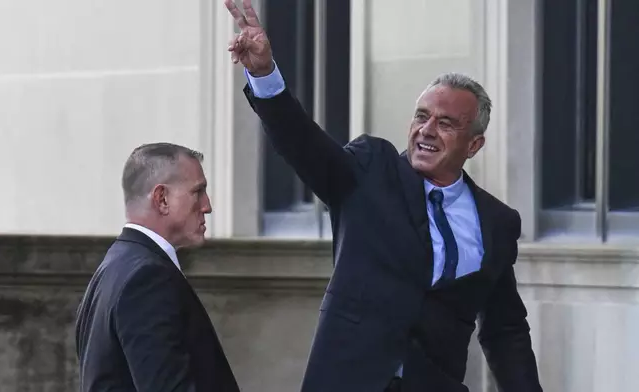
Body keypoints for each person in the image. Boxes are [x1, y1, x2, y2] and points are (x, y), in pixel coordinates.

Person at [224, 1, 543, 392]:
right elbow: (302, 144)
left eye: (445, 124)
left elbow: (505, 329)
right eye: (421, 116)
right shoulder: (370, 170)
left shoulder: (497, 222)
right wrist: (264, 74)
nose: (426, 130)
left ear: (474, 144)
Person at [75, 143, 240, 392]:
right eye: (198, 192)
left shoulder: (114, 267)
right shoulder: (147, 278)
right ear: (162, 199)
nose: (207, 206)